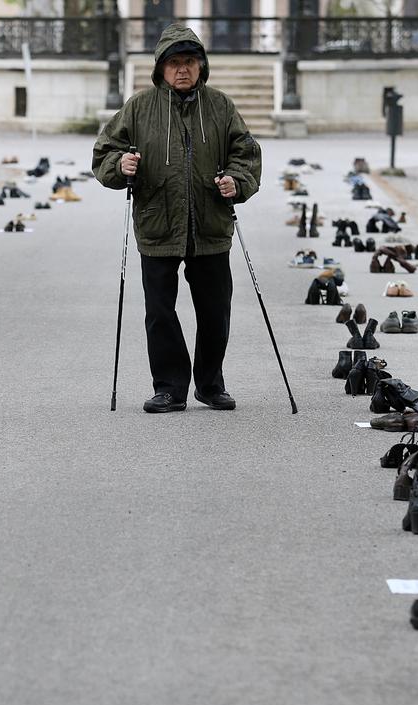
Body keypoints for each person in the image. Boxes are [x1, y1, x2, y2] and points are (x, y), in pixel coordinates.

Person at [92, 24, 261, 414]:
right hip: (157, 225)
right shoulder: (139, 107)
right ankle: (169, 387)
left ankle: (210, 384)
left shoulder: (221, 106)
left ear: (201, 66)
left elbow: (247, 151)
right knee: (160, 313)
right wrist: (122, 163)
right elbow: (104, 154)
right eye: (173, 63)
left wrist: (237, 180)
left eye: (189, 62)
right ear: (160, 69)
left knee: (215, 312)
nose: (182, 70)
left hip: (211, 226)